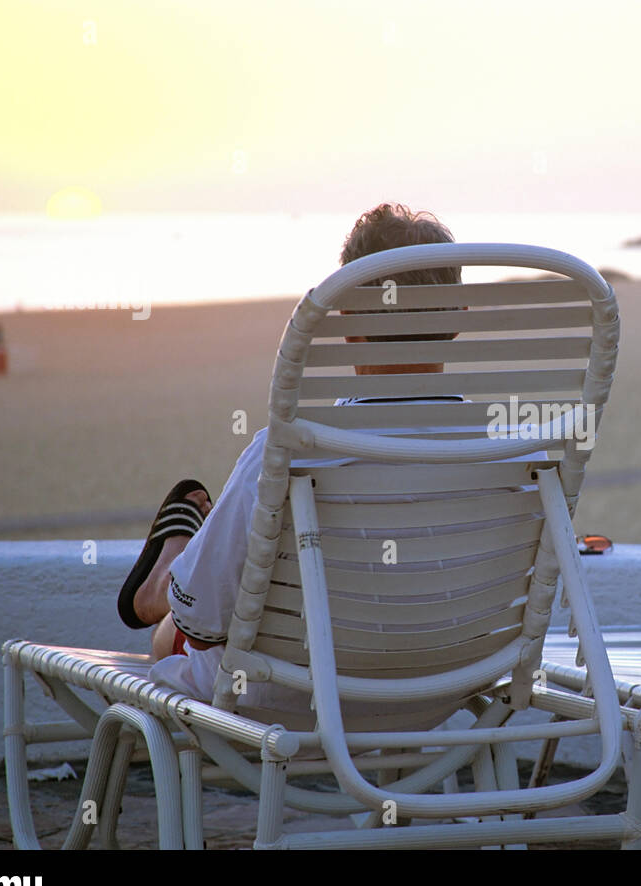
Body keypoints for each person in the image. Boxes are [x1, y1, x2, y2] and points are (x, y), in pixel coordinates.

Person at [116, 203, 468, 709]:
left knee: (174, 628)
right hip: (442, 691)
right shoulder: (515, 451)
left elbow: (203, 620)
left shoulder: (286, 453)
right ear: (457, 320)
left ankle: (157, 587)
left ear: (346, 323)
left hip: (288, 696)